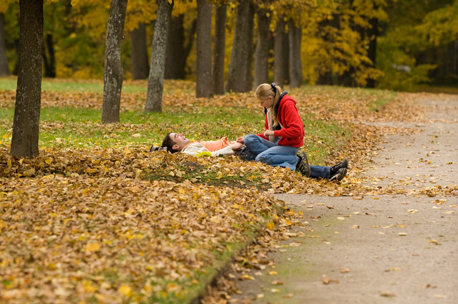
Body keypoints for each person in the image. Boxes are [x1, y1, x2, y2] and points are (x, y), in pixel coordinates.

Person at [236, 83, 348, 181]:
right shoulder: (270, 109)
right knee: (249, 139)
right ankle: (329, 171)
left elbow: (297, 130)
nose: (261, 105)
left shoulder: (287, 105)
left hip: (289, 145)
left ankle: (296, 160)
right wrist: (248, 140)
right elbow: (268, 133)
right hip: (278, 143)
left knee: (260, 158)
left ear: (270, 98)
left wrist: (274, 134)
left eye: (262, 102)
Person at [156, 132, 243, 156]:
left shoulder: (189, 146)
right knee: (251, 139)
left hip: (236, 145)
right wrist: (232, 147)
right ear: (176, 146)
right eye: (177, 136)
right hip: (239, 150)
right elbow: (209, 155)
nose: (181, 134)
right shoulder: (188, 151)